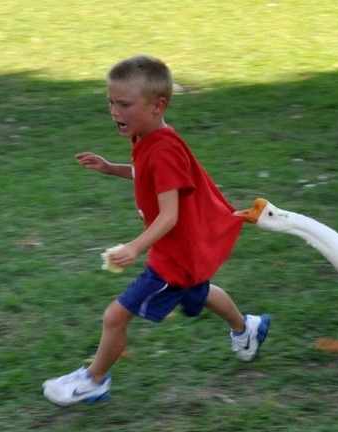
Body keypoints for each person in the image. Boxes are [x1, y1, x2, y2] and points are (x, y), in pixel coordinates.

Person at [42, 55, 270, 407]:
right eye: (110, 102)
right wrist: (109, 168)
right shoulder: (149, 137)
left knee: (115, 317)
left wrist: (134, 247)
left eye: (124, 104)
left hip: (173, 256)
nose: (114, 111)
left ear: (157, 105)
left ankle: (94, 380)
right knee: (201, 291)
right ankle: (247, 328)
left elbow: (169, 216)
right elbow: (147, 176)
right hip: (185, 252)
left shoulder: (162, 149)